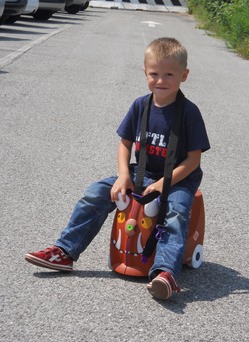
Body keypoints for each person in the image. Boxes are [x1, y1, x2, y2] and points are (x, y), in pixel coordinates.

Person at [25, 37, 210, 300]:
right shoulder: (140, 106)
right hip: (141, 172)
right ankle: (65, 251)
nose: (160, 80)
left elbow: (193, 160)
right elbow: (124, 144)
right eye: (154, 74)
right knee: (95, 193)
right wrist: (124, 175)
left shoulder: (189, 112)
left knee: (177, 212)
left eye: (169, 74)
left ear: (184, 75)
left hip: (179, 179)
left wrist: (162, 185)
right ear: (145, 73)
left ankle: (166, 273)